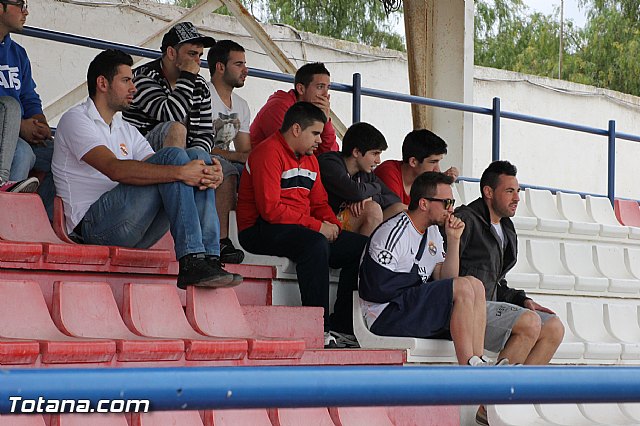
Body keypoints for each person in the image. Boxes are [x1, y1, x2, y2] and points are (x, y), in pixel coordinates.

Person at [52, 49, 241, 290]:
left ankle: (209, 258)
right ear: (102, 83)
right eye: (126, 80)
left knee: (197, 157)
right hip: (93, 227)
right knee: (176, 159)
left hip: (133, 224)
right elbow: (114, 169)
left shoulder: (125, 129)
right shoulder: (76, 119)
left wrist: (206, 172)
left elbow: (160, 166)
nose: (134, 87)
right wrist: (182, 172)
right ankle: (192, 259)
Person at [237, 102, 367, 348]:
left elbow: (319, 203)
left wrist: (331, 224)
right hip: (258, 229)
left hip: (296, 227)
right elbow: (271, 210)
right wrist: (318, 228)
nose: (320, 140)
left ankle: (342, 326)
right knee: (315, 244)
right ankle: (318, 329)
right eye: (315, 133)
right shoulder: (267, 152)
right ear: (296, 129)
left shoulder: (311, 160)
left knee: (362, 248)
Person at [122, 23, 243, 264]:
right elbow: (170, 114)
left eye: (200, 55)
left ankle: (211, 252)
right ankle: (193, 244)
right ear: (170, 53)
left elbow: (204, 132)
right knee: (177, 129)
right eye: (191, 54)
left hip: (183, 160)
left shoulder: (198, 85)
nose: (198, 61)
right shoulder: (143, 77)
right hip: (142, 156)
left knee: (207, 160)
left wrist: (202, 162)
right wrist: (188, 77)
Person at [455, 160, 564, 425]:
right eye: (509, 191)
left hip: (492, 308)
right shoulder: (466, 219)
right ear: (488, 192)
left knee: (554, 328)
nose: (517, 198)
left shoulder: (506, 228)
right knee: (529, 322)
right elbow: (447, 274)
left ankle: (505, 404)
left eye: (518, 191)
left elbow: (497, 282)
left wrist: (522, 299)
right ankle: (492, 406)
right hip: (465, 310)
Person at [359, 172, 489, 366]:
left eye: (452, 203)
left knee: (475, 285)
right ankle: (468, 366)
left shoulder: (433, 232)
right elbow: (375, 288)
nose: (451, 210)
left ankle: (478, 359)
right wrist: (417, 282)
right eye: (446, 203)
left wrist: (453, 240)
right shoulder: (394, 232)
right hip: (383, 315)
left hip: (409, 307)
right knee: (463, 286)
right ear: (424, 204)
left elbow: (447, 278)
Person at [206, 39, 252, 264]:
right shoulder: (203, 95)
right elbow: (198, 144)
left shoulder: (242, 105)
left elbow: (245, 150)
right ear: (220, 67)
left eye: (245, 64)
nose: (246, 70)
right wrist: (238, 157)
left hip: (226, 158)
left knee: (256, 172)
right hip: (202, 157)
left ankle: (256, 237)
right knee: (228, 170)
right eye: (239, 64)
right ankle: (221, 241)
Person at [0, 0, 52, 195]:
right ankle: (7, 212)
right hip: (5, 132)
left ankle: (44, 220)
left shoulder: (18, 53)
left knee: (64, 155)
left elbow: (29, 97)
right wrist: (20, 126)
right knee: (22, 152)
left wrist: (40, 124)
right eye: (20, 5)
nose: (26, 12)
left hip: (19, 134)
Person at [318, 122, 404, 236]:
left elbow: (395, 200)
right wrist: (375, 188)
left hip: (346, 226)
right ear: (356, 152)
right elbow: (356, 192)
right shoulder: (330, 163)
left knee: (400, 209)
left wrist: (372, 197)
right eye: (375, 154)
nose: (378, 160)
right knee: (371, 209)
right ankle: (366, 252)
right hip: (326, 226)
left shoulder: (365, 172)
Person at [250, 62, 338, 154]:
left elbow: (330, 154)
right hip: (258, 164)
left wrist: (326, 121)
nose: (325, 95)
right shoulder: (280, 106)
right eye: (320, 87)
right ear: (301, 89)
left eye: (327, 88)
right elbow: (292, 150)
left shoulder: (312, 112)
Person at [374, 129, 459, 206]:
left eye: (438, 162)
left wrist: (443, 182)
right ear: (413, 162)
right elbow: (397, 212)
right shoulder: (388, 172)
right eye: (433, 162)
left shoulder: (422, 180)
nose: (437, 169)